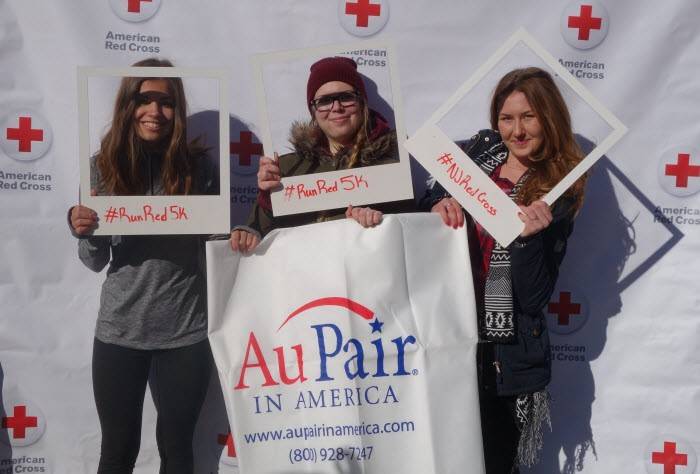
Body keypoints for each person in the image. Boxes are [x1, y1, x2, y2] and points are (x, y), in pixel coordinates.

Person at [428, 67, 586, 473]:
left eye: (528, 116)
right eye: (506, 117)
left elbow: (534, 296)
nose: (516, 130)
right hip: (447, 335)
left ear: (549, 117)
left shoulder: (557, 187)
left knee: (495, 463)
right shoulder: (477, 157)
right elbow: (418, 221)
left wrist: (529, 240)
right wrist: (434, 206)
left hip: (505, 353)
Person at [68, 58, 216, 474]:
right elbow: (93, 260)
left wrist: (237, 230)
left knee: (178, 450)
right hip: (119, 331)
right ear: (127, 103)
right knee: (117, 451)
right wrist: (85, 230)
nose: (155, 111)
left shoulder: (199, 168)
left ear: (177, 109)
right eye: (144, 99)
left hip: (186, 331)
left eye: (165, 102)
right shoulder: (102, 166)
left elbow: (215, 246)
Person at [230, 56, 412, 252]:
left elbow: (412, 229)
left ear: (362, 103)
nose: (336, 107)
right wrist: (266, 204)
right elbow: (260, 237)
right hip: (302, 279)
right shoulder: (287, 167)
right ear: (313, 111)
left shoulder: (390, 164)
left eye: (346, 97)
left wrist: (382, 220)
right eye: (324, 101)